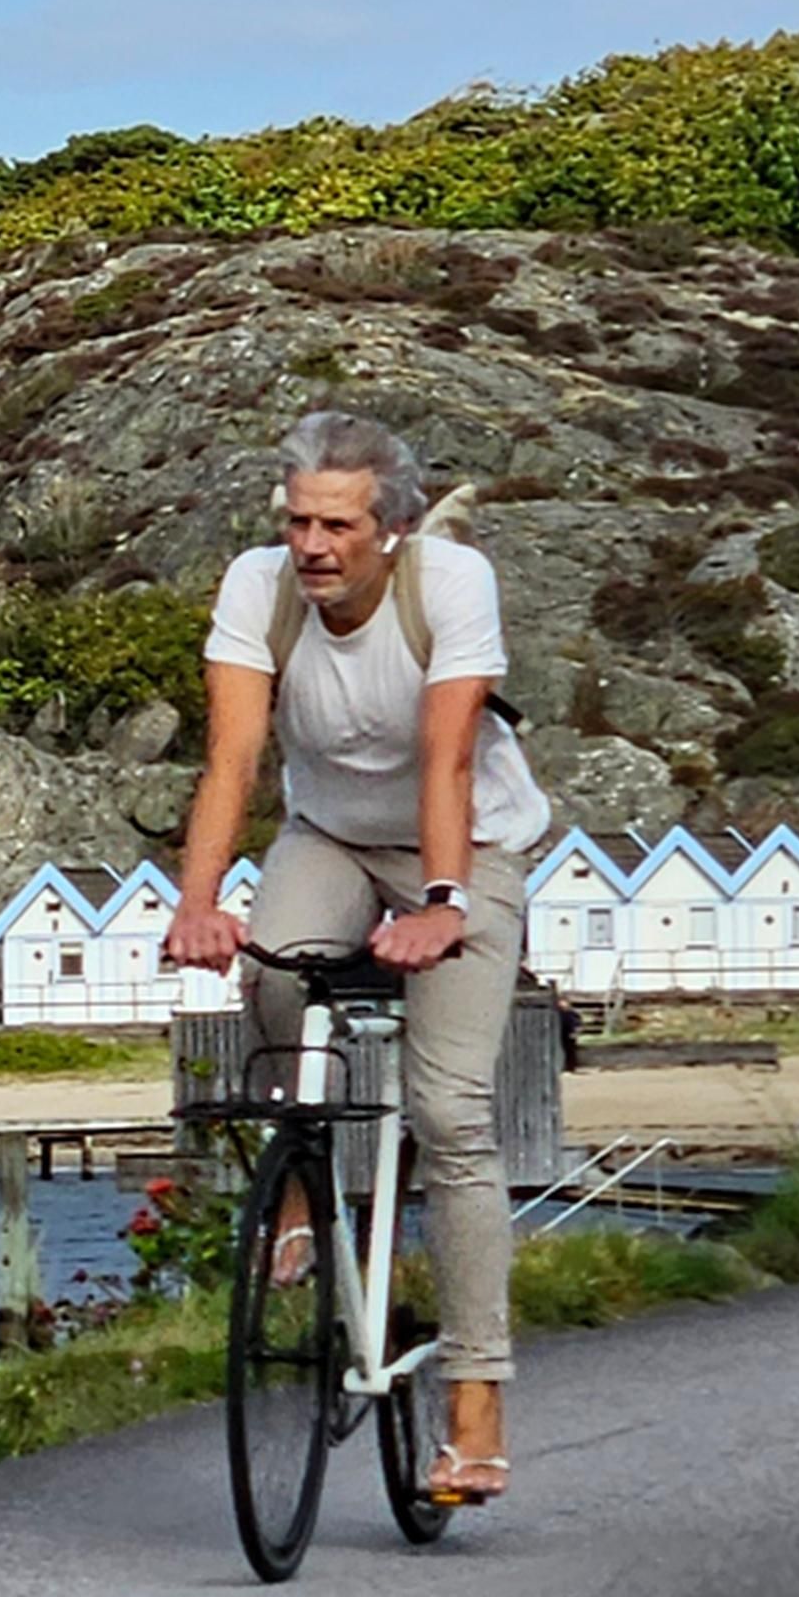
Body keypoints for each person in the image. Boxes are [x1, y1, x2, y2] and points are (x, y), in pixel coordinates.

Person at [163, 410, 549, 1506]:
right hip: (326, 833)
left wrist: (441, 905)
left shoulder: (451, 583)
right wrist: (198, 904)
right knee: (274, 968)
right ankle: (302, 1183)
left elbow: (448, 755)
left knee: (449, 1111)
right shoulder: (259, 586)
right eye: (298, 522)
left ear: (394, 527)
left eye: (337, 524)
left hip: (467, 846)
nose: (314, 546)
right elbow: (234, 755)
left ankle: (476, 1397)